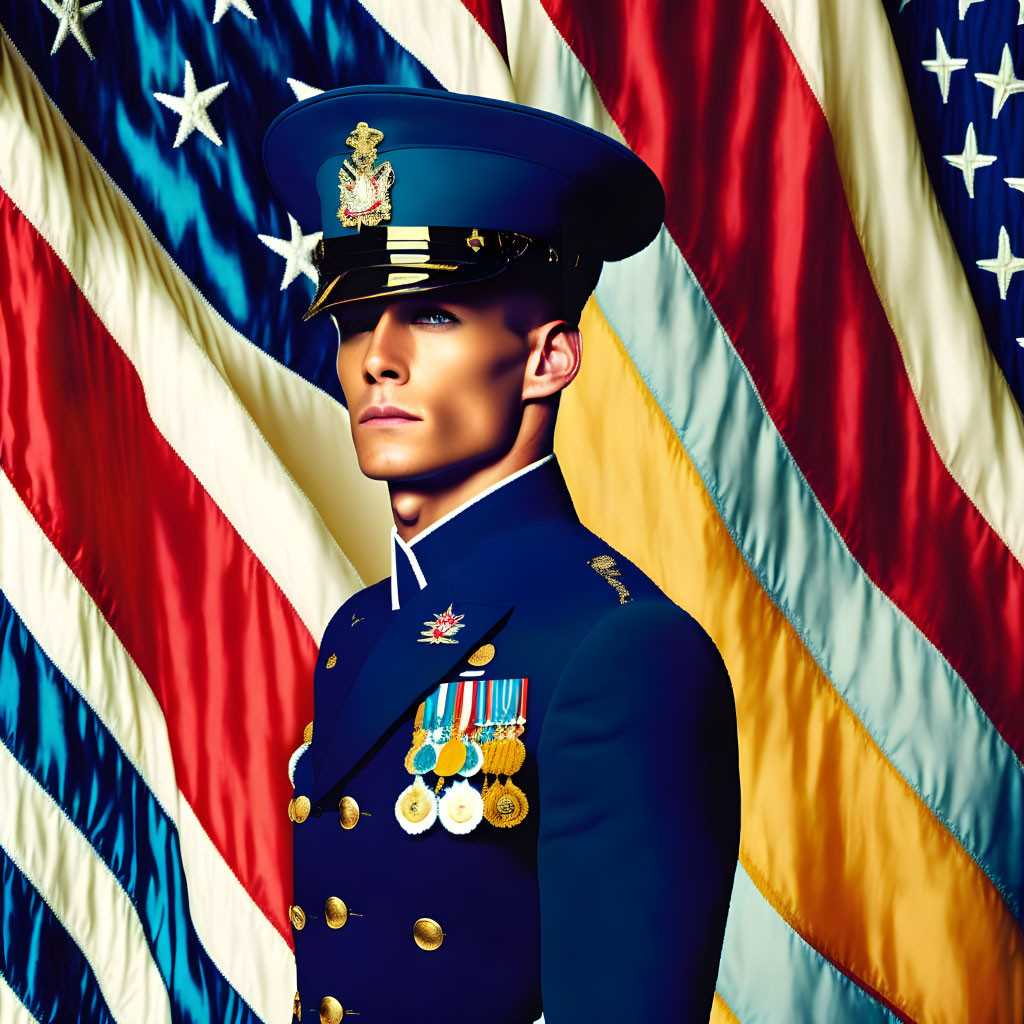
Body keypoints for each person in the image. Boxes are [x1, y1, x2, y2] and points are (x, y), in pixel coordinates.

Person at [263, 85, 740, 1024]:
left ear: (547, 360)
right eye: (358, 318)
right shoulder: (359, 627)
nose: (377, 358)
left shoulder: (622, 649)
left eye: (434, 316)